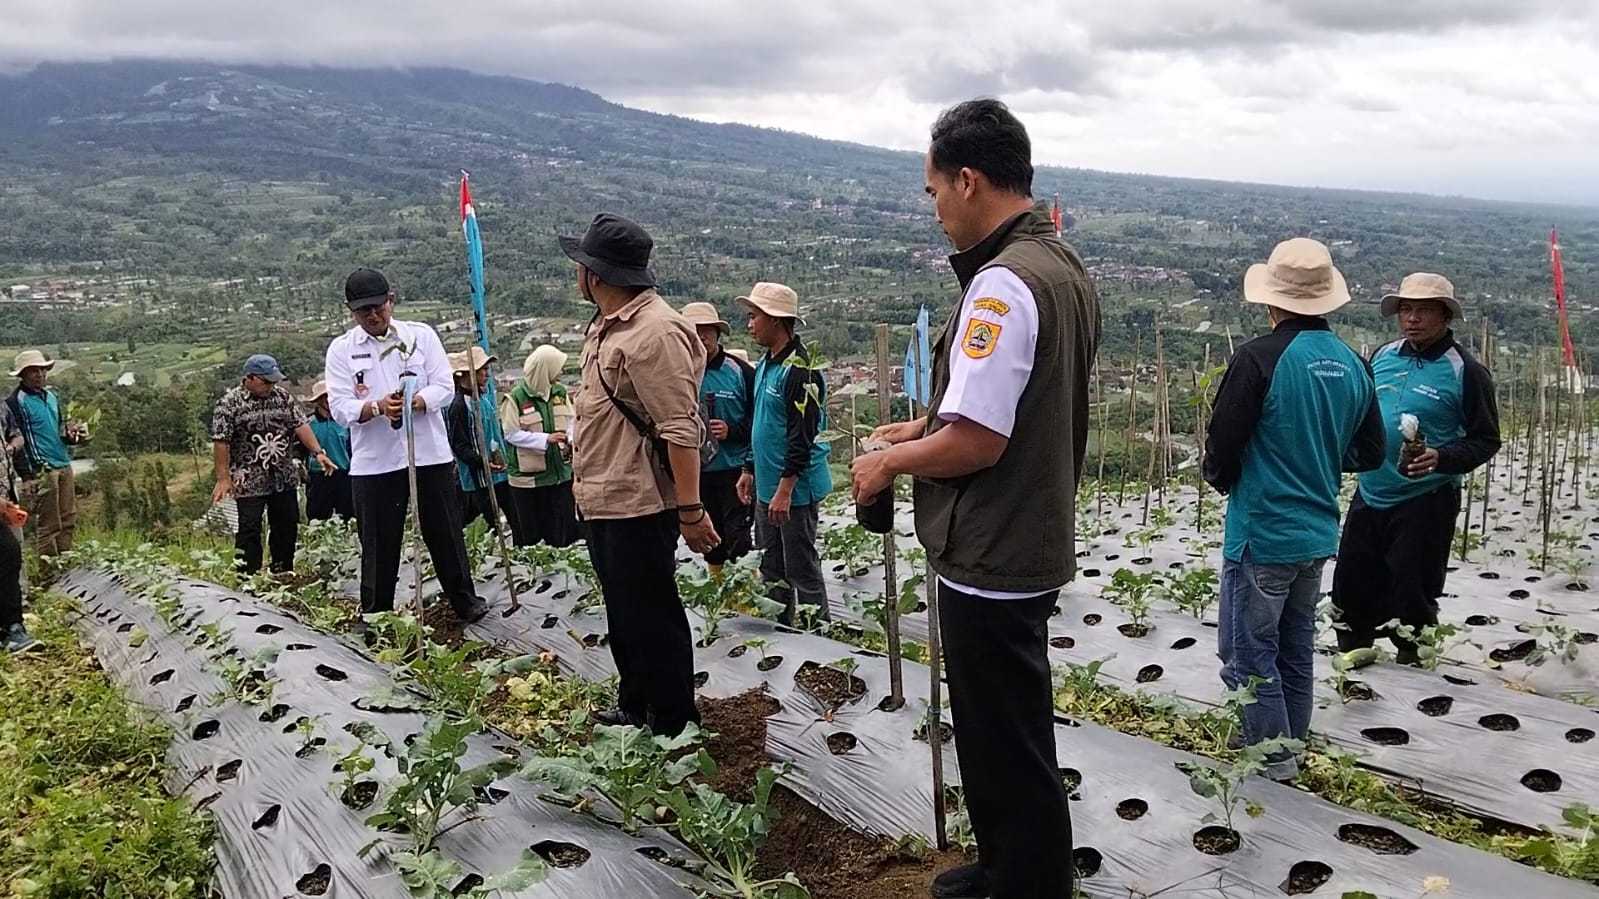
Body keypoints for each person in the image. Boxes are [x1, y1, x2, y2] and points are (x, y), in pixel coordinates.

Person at [849, 98, 1100, 899]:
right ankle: (1004, 868)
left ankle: (1028, 884)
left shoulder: (1000, 287)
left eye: (932, 193)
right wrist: (915, 427)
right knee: (1000, 727)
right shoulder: (1061, 265)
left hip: (993, 545)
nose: (934, 212)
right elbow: (993, 411)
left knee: (1006, 735)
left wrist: (891, 466)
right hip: (1026, 531)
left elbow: (980, 441)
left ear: (967, 179)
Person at [1203, 238, 1386, 781]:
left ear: (1271, 301)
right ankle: (1289, 746)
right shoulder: (1354, 363)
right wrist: (1318, 454)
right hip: (1317, 532)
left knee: (1246, 654)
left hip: (1262, 533)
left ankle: (1274, 765)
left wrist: (1233, 477)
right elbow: (1371, 451)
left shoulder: (1260, 358)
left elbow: (1221, 450)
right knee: (1294, 647)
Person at [562, 212, 717, 737]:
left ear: (595, 275)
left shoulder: (655, 332)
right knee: (623, 611)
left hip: (639, 501)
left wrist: (691, 509)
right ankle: (635, 704)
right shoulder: (609, 325)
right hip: (603, 495)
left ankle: (674, 721)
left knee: (652, 612)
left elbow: (679, 428)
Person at [1332, 273, 1500, 663]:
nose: (1412, 319)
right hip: (1372, 489)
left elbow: (1486, 438)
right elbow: (1363, 412)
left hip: (1425, 497)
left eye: (1423, 311)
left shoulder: (1466, 371)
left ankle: (1415, 659)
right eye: (1406, 310)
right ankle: (1354, 654)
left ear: (1445, 316)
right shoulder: (1383, 356)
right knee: (1352, 579)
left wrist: (1442, 457)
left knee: (1413, 587)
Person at [324, 268, 488, 624]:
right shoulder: (342, 351)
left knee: (445, 530)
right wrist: (375, 407)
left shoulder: (421, 337)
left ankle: (464, 601)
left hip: (429, 454)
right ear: (351, 311)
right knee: (379, 542)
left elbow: (445, 386)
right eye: (363, 310)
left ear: (391, 301)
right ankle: (377, 614)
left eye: (378, 307)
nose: (372, 315)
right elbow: (339, 408)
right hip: (375, 462)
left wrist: (416, 401)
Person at [735, 283, 832, 624]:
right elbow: (759, 421)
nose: (750, 324)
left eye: (754, 316)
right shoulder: (766, 365)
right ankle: (780, 632)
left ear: (776, 320)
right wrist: (748, 468)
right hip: (766, 485)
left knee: (801, 567)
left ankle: (818, 636)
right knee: (771, 565)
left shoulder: (801, 371)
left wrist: (785, 489)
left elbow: (801, 436)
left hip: (791, 491)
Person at [210, 354, 335, 576]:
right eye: (266, 381)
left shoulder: (282, 398)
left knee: (286, 524)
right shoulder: (229, 404)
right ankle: (248, 575)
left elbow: (300, 425)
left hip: (283, 475)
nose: (271, 386)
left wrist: (318, 452)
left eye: (273, 381)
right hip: (248, 479)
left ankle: (282, 570)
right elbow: (221, 442)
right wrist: (223, 478)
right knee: (249, 528)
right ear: (249, 378)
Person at [684, 301, 755, 577]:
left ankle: (744, 597)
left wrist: (732, 431)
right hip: (695, 472)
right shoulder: (677, 373)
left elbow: (761, 422)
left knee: (738, 536)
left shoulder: (740, 371)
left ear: (718, 333)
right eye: (694, 331)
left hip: (734, 470)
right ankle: (719, 597)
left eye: (707, 330)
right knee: (708, 537)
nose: (701, 337)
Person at [7, 349, 84, 570]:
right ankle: (49, 573)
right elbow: (17, 439)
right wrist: (27, 475)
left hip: (62, 462)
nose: (39, 375)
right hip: (42, 469)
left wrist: (70, 436)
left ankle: (67, 566)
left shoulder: (51, 396)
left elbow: (58, 429)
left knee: (68, 518)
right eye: (33, 371)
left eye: (42, 370)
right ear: (23, 375)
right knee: (50, 524)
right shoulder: (16, 402)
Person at [498, 346, 578, 547]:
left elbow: (571, 421)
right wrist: (545, 439)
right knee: (534, 534)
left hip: (560, 474)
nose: (560, 373)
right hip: (530, 480)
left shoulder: (559, 392)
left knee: (563, 530)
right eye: (556, 368)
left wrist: (569, 437)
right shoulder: (516, 398)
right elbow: (511, 434)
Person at [445, 347, 516, 537]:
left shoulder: (484, 398)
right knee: (493, 525)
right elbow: (459, 445)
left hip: (499, 473)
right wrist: (482, 462)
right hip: (480, 479)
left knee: (516, 520)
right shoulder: (459, 406)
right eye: (481, 370)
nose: (486, 374)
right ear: (465, 375)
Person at [0, 399, 35, 653]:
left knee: (9, 553)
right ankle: (11, 627)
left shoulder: (1, 405)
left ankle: (13, 627)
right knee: (8, 552)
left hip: (4, 493)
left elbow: (15, 436)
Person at [305, 380, 355, 522]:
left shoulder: (344, 421)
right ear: (318, 401)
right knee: (317, 516)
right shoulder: (308, 423)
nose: (327, 400)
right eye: (323, 397)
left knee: (348, 515)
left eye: (329, 396)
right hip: (318, 474)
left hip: (344, 472)